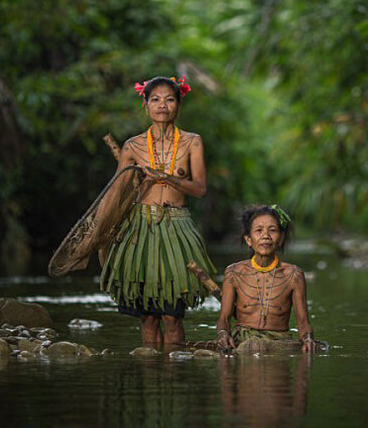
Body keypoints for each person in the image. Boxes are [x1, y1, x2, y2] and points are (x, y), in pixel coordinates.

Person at [99, 76, 216, 345]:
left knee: (172, 316)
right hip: (139, 228)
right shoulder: (132, 146)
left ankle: (175, 377)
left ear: (178, 105)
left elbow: (199, 189)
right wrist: (141, 183)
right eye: (155, 99)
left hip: (177, 228)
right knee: (148, 317)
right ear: (146, 105)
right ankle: (151, 374)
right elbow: (117, 194)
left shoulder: (192, 142)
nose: (162, 105)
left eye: (169, 99)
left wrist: (167, 178)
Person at [216, 204, 319, 353]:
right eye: (259, 230)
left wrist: (308, 339)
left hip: (278, 343)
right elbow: (224, 319)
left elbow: (303, 323)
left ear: (281, 239)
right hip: (243, 342)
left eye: (272, 230)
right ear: (248, 239)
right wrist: (222, 335)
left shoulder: (294, 275)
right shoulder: (234, 273)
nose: (265, 236)